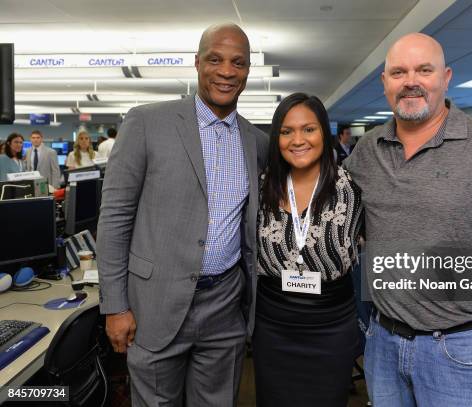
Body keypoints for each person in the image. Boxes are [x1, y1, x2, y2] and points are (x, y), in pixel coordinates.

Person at [344, 33, 472, 407]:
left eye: (424, 70)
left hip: (464, 351)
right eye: (399, 71)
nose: (411, 81)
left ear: (446, 76)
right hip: (384, 345)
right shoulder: (366, 152)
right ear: (385, 82)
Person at [96, 23, 268, 406]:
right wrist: (115, 306)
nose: (226, 71)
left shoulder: (256, 142)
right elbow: (114, 220)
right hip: (153, 305)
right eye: (215, 59)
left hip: (225, 306)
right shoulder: (146, 123)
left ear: (247, 70)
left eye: (237, 63)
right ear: (196, 63)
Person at [253, 93, 362, 407]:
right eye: (287, 132)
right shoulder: (262, 188)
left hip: (331, 327)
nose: (297, 140)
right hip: (272, 325)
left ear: (323, 132)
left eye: (308, 129)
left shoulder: (352, 190)